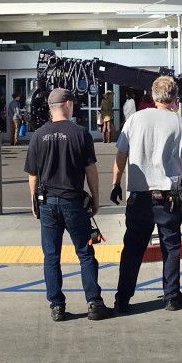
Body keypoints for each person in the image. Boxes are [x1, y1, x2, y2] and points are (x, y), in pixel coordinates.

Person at [110, 76, 182, 312]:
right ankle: (171, 295)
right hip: (166, 195)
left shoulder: (135, 120)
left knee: (132, 248)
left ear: (153, 95)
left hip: (139, 195)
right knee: (170, 246)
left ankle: (123, 297)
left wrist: (116, 183)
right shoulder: (180, 123)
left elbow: (121, 155)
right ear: (173, 98)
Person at [24, 88, 112, 322]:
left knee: (51, 256)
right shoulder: (80, 133)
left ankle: (57, 306)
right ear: (67, 105)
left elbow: (32, 175)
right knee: (84, 252)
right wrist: (95, 198)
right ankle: (94, 302)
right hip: (73, 201)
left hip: (48, 203)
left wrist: (34, 201)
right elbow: (90, 169)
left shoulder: (38, 135)